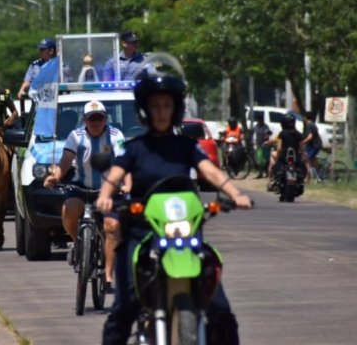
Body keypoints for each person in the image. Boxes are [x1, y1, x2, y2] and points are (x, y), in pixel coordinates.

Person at [95, 66, 252, 345]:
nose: (161, 111)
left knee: (220, 309)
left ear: (176, 108)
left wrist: (234, 193)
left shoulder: (185, 146)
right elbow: (115, 175)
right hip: (142, 231)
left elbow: (211, 172)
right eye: (155, 106)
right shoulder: (135, 148)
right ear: (145, 110)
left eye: (167, 105)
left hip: (186, 233)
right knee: (124, 308)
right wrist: (106, 195)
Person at [44, 100, 130, 294]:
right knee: (69, 208)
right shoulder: (75, 136)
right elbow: (65, 161)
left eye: (99, 118)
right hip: (81, 187)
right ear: (84, 120)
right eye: (91, 119)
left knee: (112, 226)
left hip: (109, 190)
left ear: (105, 119)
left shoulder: (116, 136)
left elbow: (125, 161)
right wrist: (55, 177)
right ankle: (77, 243)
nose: (95, 122)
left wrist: (127, 184)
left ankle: (108, 276)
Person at [268, 113, 307, 189]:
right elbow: (302, 149)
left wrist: (277, 158)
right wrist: (303, 157)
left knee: (272, 155)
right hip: (296, 157)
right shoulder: (298, 134)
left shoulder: (282, 134)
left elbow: (279, 148)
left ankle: (270, 180)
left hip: (283, 157)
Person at [302, 111, 322, 182]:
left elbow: (310, 136)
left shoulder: (309, 125)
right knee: (313, 160)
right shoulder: (313, 124)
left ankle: (307, 178)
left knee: (307, 160)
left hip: (314, 145)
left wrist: (303, 142)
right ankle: (319, 177)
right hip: (316, 144)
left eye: (303, 117)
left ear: (305, 117)